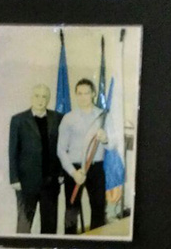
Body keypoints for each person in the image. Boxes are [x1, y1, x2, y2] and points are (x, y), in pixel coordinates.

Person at [57, 79, 118, 234]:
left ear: (93, 94)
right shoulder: (68, 118)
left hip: (96, 168)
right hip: (75, 169)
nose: (83, 97)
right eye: (79, 93)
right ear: (76, 95)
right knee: (71, 209)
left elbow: (112, 145)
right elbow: (61, 150)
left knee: (98, 208)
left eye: (86, 93)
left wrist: (105, 139)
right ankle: (69, 245)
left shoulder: (103, 116)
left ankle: (96, 246)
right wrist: (73, 173)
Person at [8, 84, 63, 235]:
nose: (40, 100)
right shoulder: (18, 120)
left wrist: (60, 173)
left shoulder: (58, 118)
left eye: (44, 96)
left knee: (50, 226)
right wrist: (14, 178)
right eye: (37, 96)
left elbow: (62, 147)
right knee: (24, 225)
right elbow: (13, 151)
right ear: (31, 97)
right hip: (26, 183)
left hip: (50, 182)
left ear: (48, 99)